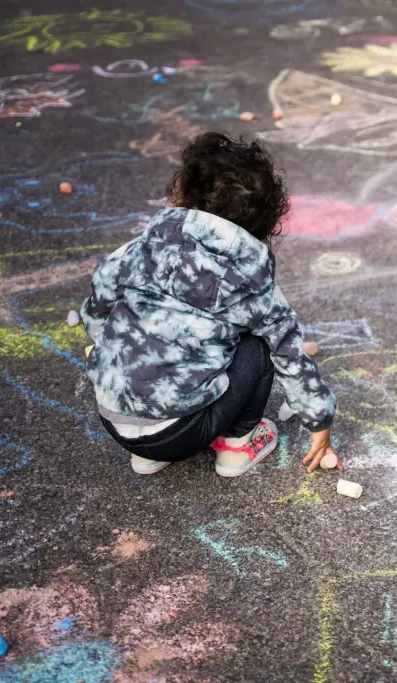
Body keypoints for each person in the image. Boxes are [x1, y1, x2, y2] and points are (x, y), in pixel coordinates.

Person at [81, 132, 338, 476]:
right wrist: (319, 420)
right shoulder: (250, 283)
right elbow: (289, 351)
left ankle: (148, 456)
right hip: (181, 430)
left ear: (183, 192)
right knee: (260, 346)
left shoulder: (139, 248)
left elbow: (98, 302)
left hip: (114, 417)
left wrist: (111, 344)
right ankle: (236, 447)